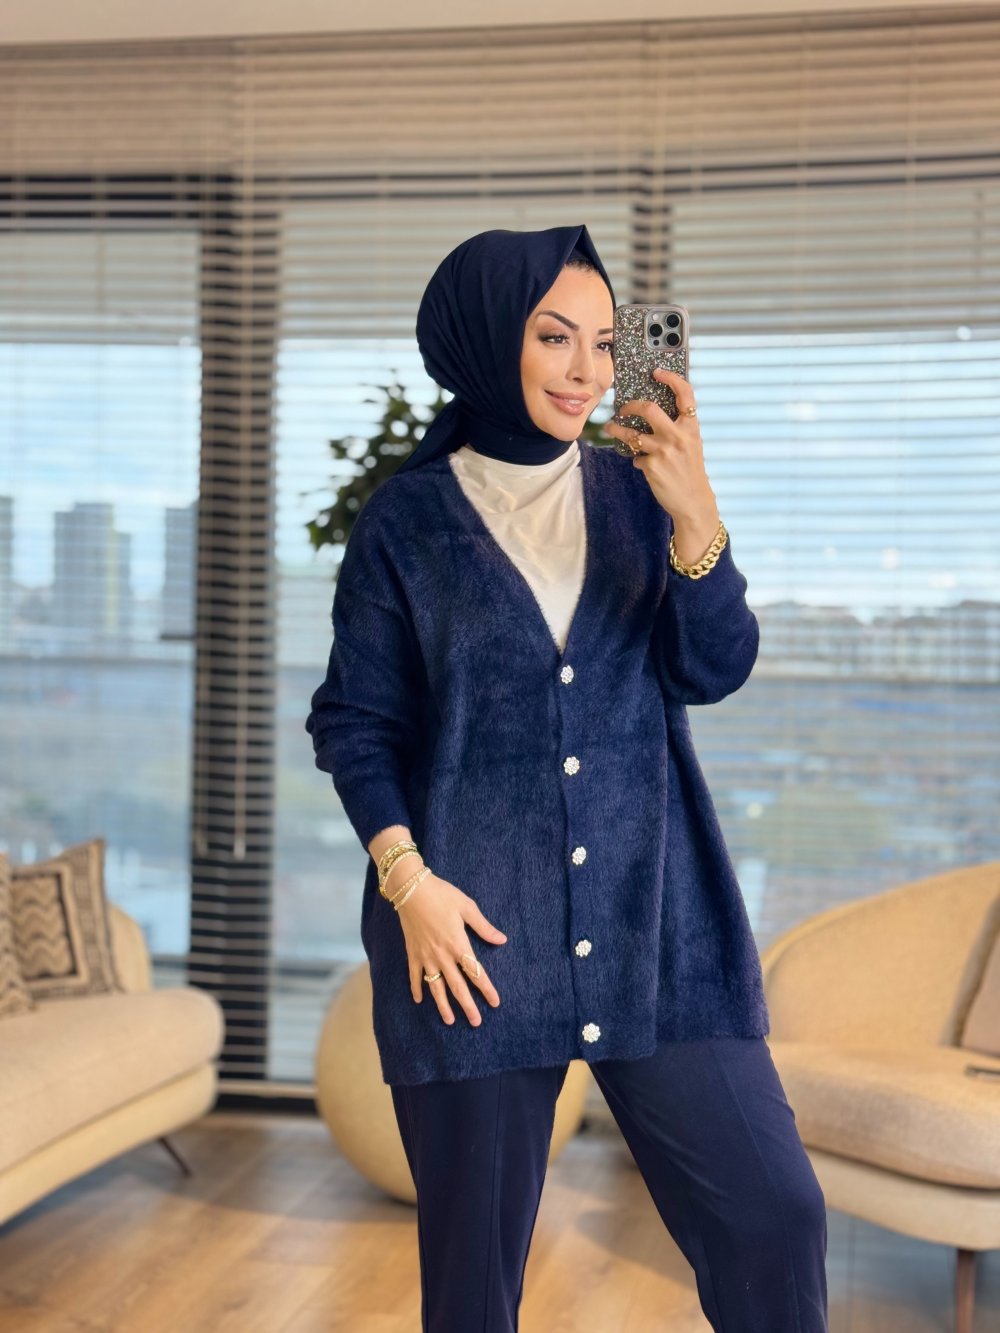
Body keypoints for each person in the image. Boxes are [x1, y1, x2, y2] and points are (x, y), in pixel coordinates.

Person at [305, 224, 829, 1332]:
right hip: (473, 943)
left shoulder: (640, 496)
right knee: (472, 1287)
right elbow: (356, 723)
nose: (587, 370)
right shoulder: (406, 523)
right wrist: (410, 885)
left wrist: (696, 515)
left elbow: (712, 668)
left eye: (602, 341)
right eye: (555, 337)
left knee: (774, 1216)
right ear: (487, 339)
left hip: (659, 921)